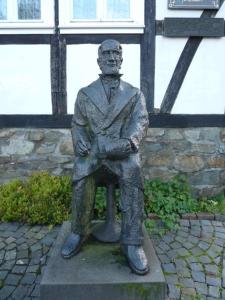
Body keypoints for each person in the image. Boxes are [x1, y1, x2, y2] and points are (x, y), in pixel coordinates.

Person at [61, 39, 149, 275]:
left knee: (133, 172)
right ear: (99, 60)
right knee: (81, 174)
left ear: (121, 59)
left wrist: (123, 144)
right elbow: (77, 124)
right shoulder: (85, 94)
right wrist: (78, 138)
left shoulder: (134, 94)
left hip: (121, 155)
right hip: (93, 156)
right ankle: (78, 231)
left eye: (116, 53)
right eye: (106, 53)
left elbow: (139, 126)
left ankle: (132, 242)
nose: (111, 58)